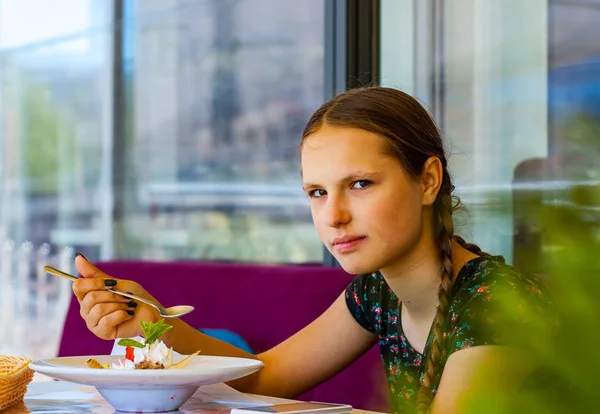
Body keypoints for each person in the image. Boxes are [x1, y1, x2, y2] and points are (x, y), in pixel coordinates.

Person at [73, 87, 557, 414]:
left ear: (427, 180)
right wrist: (153, 323)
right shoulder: (377, 293)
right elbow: (267, 376)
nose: (334, 216)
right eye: (317, 192)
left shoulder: (496, 305)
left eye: (361, 184)